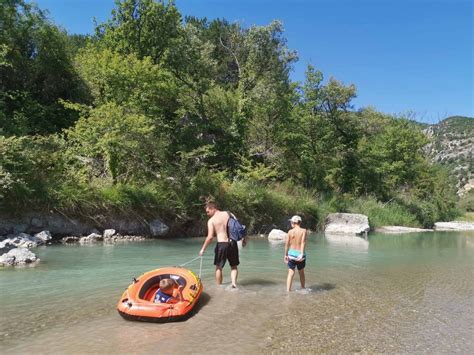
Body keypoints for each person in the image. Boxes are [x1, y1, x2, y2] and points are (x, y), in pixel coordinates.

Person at [199, 201, 247, 288]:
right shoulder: (228, 213)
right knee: (234, 266)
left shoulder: (211, 221)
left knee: (218, 267)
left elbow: (210, 237)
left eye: (208, 211)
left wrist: (203, 249)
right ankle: (234, 284)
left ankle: (219, 287)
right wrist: (243, 238)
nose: (207, 214)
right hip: (232, 243)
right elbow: (238, 226)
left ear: (212, 209)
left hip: (222, 245)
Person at [284, 215, 307, 292]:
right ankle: (303, 288)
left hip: (291, 255)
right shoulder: (303, 230)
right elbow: (303, 242)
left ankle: (288, 291)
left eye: (291, 222)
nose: (291, 223)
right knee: (301, 272)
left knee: (291, 273)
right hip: (300, 255)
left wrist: (286, 255)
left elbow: (287, 244)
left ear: (294, 222)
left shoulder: (290, 232)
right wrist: (301, 253)